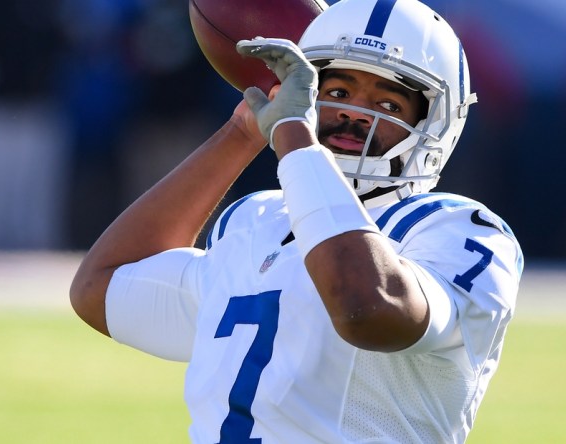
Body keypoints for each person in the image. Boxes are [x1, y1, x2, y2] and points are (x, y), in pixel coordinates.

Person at [70, 0, 523, 442]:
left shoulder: (460, 230)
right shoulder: (257, 221)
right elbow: (101, 290)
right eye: (337, 92)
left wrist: (294, 137)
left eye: (387, 104)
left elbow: (367, 308)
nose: (351, 113)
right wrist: (243, 129)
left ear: (437, 123)